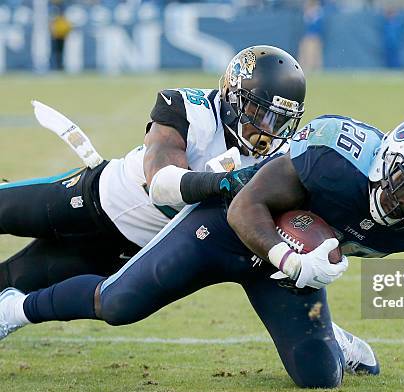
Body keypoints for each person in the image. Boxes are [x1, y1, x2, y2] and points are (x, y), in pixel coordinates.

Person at [0, 114, 404, 392]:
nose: (399, 199)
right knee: (119, 304)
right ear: (385, 159)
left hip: (294, 262)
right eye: (399, 181)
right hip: (229, 228)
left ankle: (330, 338)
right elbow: (247, 206)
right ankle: (15, 309)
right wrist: (292, 262)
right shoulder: (334, 158)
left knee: (319, 381)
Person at [0, 45, 377, 375]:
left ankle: (332, 334)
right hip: (90, 200)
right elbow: (160, 183)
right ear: (232, 94)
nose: (268, 129)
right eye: (259, 113)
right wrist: (223, 182)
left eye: (280, 120)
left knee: (10, 284)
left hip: (126, 248)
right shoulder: (188, 108)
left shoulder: (283, 157)